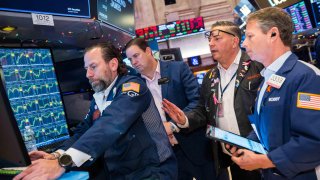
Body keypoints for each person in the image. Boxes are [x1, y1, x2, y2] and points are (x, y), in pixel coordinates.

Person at [14, 42, 177, 180]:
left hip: (153, 172)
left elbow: (111, 123)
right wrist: (57, 154)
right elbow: (84, 131)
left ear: (113, 64)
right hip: (123, 173)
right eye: (86, 68)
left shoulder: (133, 87)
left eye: (93, 67)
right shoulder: (100, 95)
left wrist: (63, 163)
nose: (88, 74)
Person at [162, 21, 263, 180]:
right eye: (209, 39)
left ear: (234, 41)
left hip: (259, 153)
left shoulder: (257, 66)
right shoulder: (210, 77)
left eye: (217, 38)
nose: (210, 43)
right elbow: (202, 110)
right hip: (230, 157)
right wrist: (184, 120)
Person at [229, 7, 320, 180]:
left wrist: (265, 161)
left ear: (273, 34)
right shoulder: (267, 79)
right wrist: (247, 145)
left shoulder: (306, 77)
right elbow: (265, 127)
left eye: (250, 36)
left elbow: (314, 141)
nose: (244, 44)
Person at [125, 37, 216, 180]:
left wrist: (174, 125)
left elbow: (197, 101)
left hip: (194, 145)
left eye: (136, 56)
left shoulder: (178, 69)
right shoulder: (133, 83)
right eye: (130, 59)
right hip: (165, 155)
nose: (134, 62)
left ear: (148, 51)